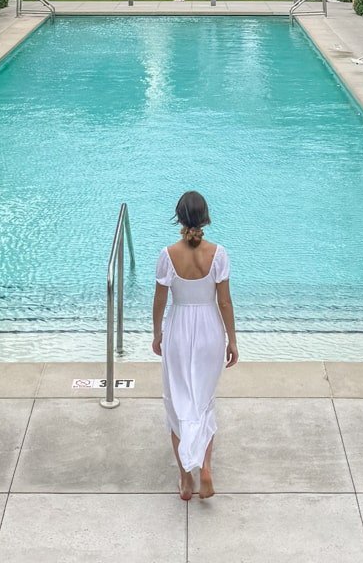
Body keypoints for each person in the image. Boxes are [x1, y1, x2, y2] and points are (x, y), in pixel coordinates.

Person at [152, 190, 238, 501]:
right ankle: (205, 468)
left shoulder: (167, 254)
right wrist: (232, 339)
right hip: (209, 332)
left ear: (178, 217)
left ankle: (185, 480)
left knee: (178, 403)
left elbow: (160, 300)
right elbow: (225, 302)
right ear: (205, 217)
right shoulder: (219, 254)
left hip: (178, 330)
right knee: (203, 401)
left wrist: (156, 333)